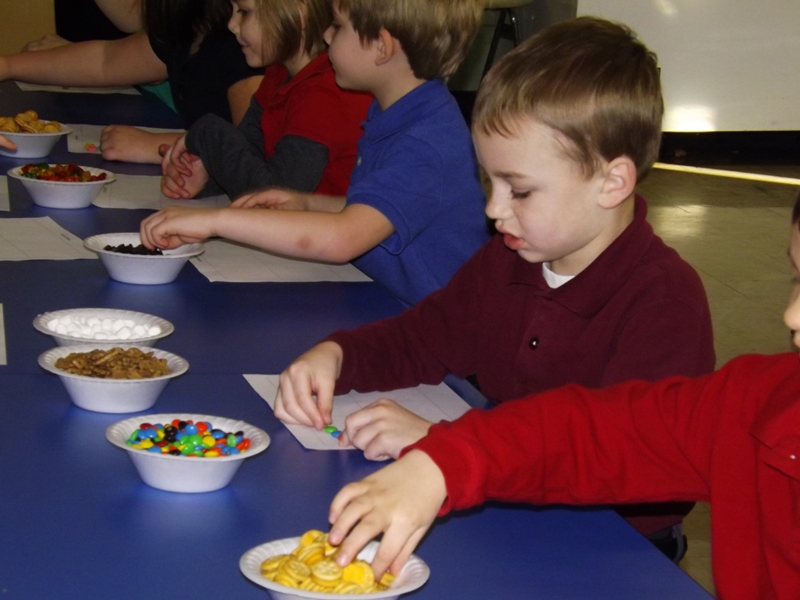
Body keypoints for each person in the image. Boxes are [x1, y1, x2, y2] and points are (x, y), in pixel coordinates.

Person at [274, 17, 715, 560]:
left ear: (612, 182)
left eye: (519, 190)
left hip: (612, 553)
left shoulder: (664, 302)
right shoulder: (507, 258)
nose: (493, 208)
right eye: (490, 181)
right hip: (503, 519)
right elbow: (423, 338)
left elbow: (633, 467)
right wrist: (337, 356)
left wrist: (446, 443)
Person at [324, 190, 800, 600]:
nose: (791, 316)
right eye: (797, 279)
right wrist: (444, 460)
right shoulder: (757, 400)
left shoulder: (664, 296)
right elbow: (597, 432)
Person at [139, 0, 490, 308]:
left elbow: (344, 237)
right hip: (391, 303)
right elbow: (374, 209)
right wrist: (308, 203)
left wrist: (214, 222)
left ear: (381, 47)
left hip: (441, 327)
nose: (326, 35)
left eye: (338, 26)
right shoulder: (398, 111)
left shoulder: (424, 142)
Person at [158, 0, 372, 201]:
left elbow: (274, 200)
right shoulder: (279, 74)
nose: (232, 25)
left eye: (244, 12)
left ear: (298, 15)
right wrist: (205, 178)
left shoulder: (324, 95)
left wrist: (206, 133)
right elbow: (251, 156)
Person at [0, 0, 263, 164]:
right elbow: (105, 61)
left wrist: (153, 146)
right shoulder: (186, 32)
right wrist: (7, 65)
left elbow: (249, 145)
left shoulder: (241, 51)